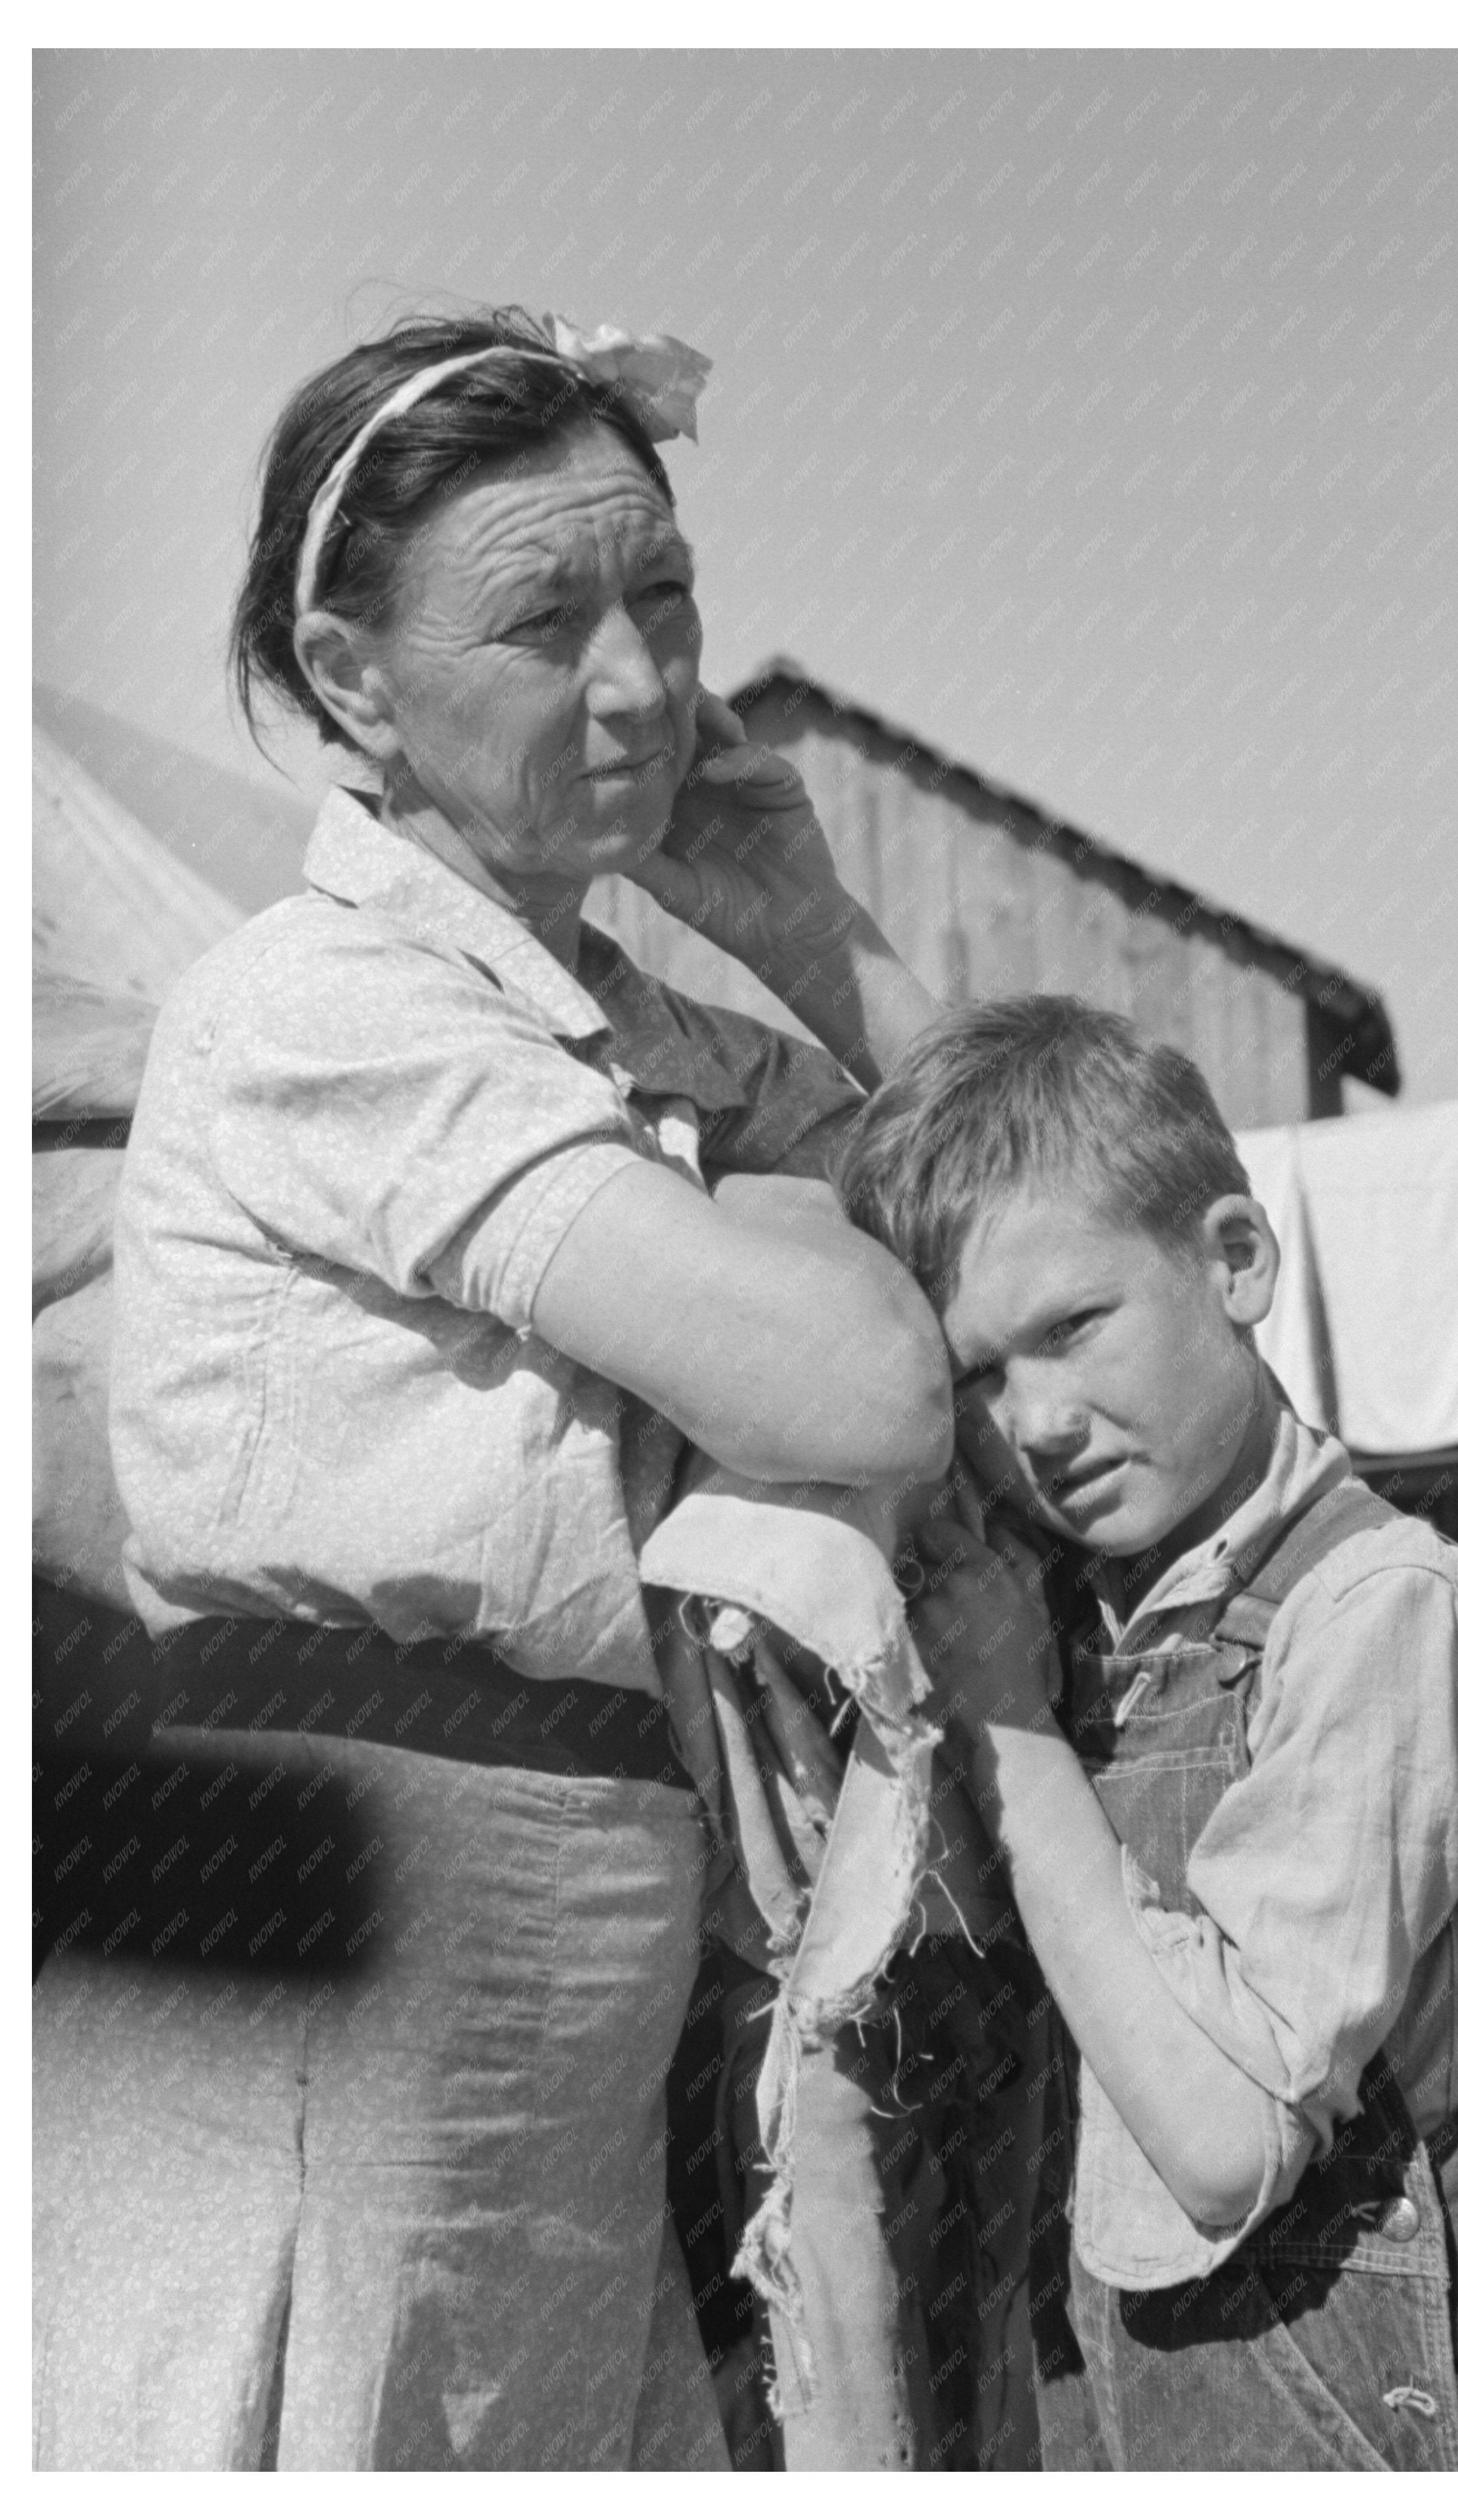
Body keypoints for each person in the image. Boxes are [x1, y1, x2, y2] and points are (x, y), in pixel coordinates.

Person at [32, 302, 954, 2470]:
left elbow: (1033, 1227)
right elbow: (868, 1390)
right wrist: (809, 1244)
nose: (636, 682)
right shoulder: (323, 1004)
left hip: (561, 1941)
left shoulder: (621, 1021)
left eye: (664, 597)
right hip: (354, 1944)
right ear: (353, 680)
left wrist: (813, 933)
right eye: (545, 620)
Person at [836, 995, 1458, 2473]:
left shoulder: (1382, 1617)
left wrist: (1007, 1723)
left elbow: (1216, 2137)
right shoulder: (1091, 1609)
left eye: (1073, 1329)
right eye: (976, 1376)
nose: (1037, 1420)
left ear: (1234, 1261)